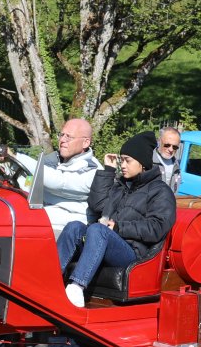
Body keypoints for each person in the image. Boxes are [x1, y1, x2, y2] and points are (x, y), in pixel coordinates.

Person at [57, 132, 177, 309]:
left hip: (132, 252)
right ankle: (51, 278)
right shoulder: (121, 186)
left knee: (99, 230)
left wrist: (119, 228)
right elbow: (97, 204)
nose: (123, 165)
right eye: (121, 160)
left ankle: (77, 287)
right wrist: (108, 171)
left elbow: (157, 227)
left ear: (143, 163)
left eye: (127, 161)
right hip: (108, 243)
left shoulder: (160, 191)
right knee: (74, 227)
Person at [10, 117, 100, 235]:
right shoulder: (52, 161)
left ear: (85, 143)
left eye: (69, 137)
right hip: (38, 220)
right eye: (61, 135)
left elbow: (59, 182)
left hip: (65, 231)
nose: (62, 140)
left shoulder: (94, 170)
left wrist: (17, 157)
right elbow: (29, 184)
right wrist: (3, 169)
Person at [154, 126, 183, 193]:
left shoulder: (176, 166)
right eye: (167, 145)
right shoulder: (148, 161)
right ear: (159, 141)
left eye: (175, 147)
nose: (171, 149)